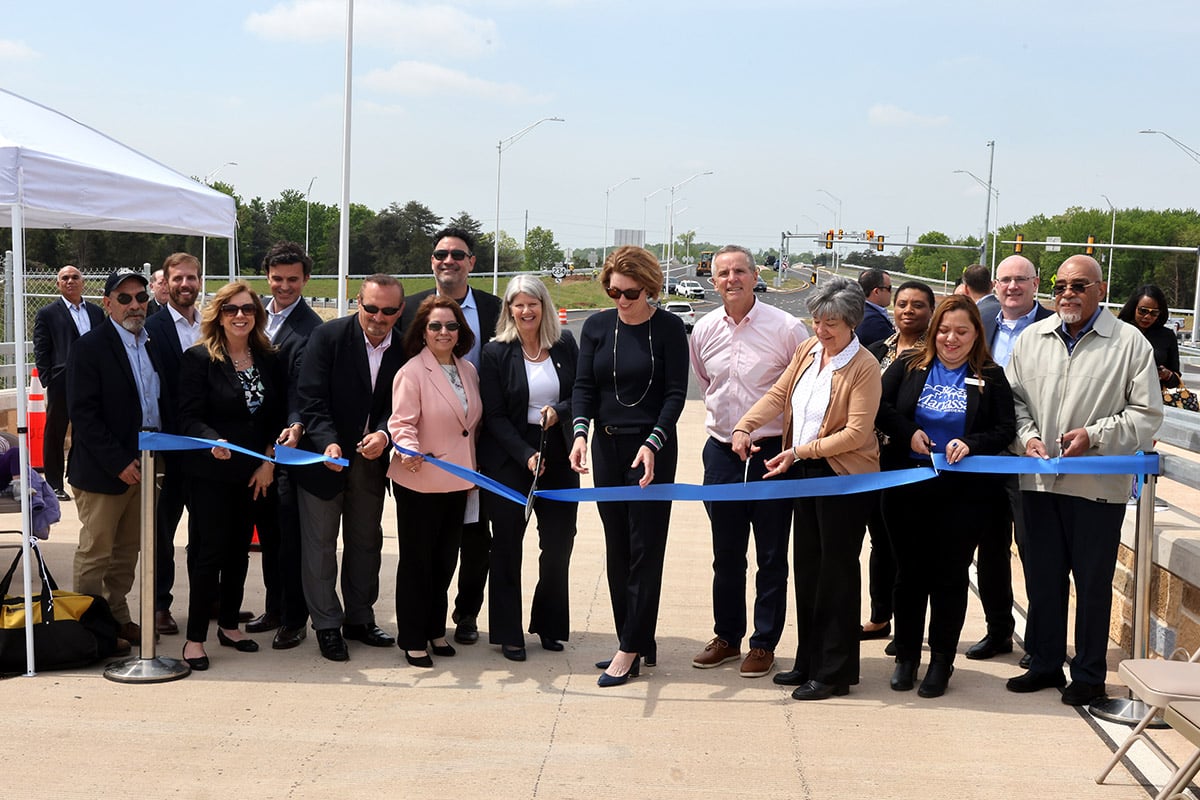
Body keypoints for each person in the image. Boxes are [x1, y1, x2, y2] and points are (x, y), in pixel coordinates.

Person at [1004, 254, 1162, 706]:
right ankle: (1045, 662)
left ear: (1100, 288)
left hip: (1096, 488)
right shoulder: (1032, 339)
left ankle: (1089, 675)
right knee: (1042, 578)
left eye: (1078, 285)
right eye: (1060, 286)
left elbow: (1147, 415)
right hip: (1038, 482)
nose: (1067, 294)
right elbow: (1012, 402)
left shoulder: (1130, 344)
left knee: (1092, 584)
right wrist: (1028, 437)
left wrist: (1093, 436)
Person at [733, 275, 881, 701]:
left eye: (831, 322)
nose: (821, 329)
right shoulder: (807, 351)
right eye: (816, 320)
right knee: (808, 569)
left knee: (836, 573)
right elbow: (779, 395)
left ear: (851, 322)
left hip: (841, 476)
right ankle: (808, 660)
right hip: (803, 470)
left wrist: (800, 452)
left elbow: (856, 433)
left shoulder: (864, 366)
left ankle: (834, 672)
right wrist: (746, 423)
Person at [875, 295, 1016, 697]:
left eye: (961, 332)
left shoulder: (991, 375)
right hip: (907, 487)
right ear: (933, 330)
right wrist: (908, 433)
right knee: (909, 575)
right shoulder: (908, 366)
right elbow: (879, 407)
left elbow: (1005, 429)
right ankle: (906, 657)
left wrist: (972, 442)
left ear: (976, 335)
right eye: (944, 330)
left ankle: (941, 662)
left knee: (949, 578)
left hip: (964, 496)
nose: (951, 339)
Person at [570, 245, 689, 687]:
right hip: (606, 447)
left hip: (652, 450)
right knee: (617, 548)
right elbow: (584, 387)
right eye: (613, 291)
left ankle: (630, 648)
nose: (620, 300)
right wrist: (579, 434)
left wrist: (654, 442)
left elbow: (676, 393)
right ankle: (634, 639)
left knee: (645, 550)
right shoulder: (598, 327)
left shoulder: (670, 327)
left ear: (650, 287)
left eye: (630, 292)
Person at [687, 245, 808, 678]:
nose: (732, 279)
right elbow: (705, 382)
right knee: (727, 555)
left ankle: (763, 643)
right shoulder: (703, 331)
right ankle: (727, 637)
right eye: (723, 273)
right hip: (721, 454)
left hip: (772, 454)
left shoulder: (787, 328)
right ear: (713, 279)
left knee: (772, 555)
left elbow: (801, 387)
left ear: (756, 276)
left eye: (740, 271)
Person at [294, 275, 407, 662]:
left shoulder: (406, 346)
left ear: (400, 310)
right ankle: (327, 625)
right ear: (358, 301)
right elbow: (309, 397)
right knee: (321, 546)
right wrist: (326, 439)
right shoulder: (328, 337)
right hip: (324, 457)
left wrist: (385, 434)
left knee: (365, 542)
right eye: (371, 307)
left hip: (371, 460)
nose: (379, 317)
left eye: (389, 310)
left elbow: (406, 406)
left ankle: (360, 618)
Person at [176, 282, 285, 670]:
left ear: (257, 315)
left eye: (248, 309)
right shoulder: (198, 359)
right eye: (231, 309)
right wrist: (211, 441)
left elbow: (278, 418)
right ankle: (194, 640)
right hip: (210, 472)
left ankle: (229, 625)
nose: (240, 316)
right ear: (218, 315)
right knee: (210, 553)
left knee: (240, 550)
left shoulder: (269, 359)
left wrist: (268, 462)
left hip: (255, 473)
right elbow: (187, 416)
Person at [399, 227, 501, 647]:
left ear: (471, 262)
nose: (449, 260)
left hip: (474, 459)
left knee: (470, 546)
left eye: (458, 254)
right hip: (423, 465)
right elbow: (400, 406)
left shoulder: (495, 312)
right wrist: (402, 444)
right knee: (422, 556)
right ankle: (417, 634)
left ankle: (459, 618)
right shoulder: (407, 312)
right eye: (441, 253)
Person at [479, 275, 579, 662]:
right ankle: (508, 632)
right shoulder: (495, 353)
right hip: (510, 457)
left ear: (544, 306)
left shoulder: (565, 344)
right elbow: (495, 415)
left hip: (558, 451)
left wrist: (562, 411)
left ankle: (550, 624)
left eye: (532, 303)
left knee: (557, 545)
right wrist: (525, 454)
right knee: (506, 547)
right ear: (509, 309)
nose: (525, 311)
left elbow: (579, 392)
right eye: (518, 304)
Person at [66, 267, 165, 650]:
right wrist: (118, 462)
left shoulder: (152, 343)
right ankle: (87, 629)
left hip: (147, 466)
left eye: (141, 297)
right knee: (96, 552)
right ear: (107, 304)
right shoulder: (89, 347)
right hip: (104, 471)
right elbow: (84, 414)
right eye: (124, 298)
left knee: (127, 552)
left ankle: (118, 618)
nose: (135, 305)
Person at [388, 296, 482, 668]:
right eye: (436, 326)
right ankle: (412, 636)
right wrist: (408, 449)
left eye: (451, 326)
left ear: (461, 331)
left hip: (459, 481)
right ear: (422, 331)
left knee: (445, 561)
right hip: (420, 480)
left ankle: (434, 629)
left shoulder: (468, 371)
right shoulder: (411, 372)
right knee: (417, 562)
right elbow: (401, 423)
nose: (444, 332)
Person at [968, 254, 1053, 663]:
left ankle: (1039, 640)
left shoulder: (1055, 327)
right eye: (1005, 280)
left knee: (1034, 549)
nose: (1012, 287)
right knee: (991, 547)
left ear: (1036, 284)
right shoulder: (980, 323)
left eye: (1021, 280)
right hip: (987, 454)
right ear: (995, 285)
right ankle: (998, 630)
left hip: (1031, 453)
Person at [245, 242, 324, 649]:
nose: (284, 286)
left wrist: (288, 434)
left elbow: (301, 393)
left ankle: (295, 618)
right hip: (251, 449)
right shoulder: (254, 318)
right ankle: (274, 607)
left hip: (288, 452)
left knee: (289, 538)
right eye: (277, 279)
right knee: (269, 537)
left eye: (293, 279)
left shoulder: (311, 330)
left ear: (305, 279)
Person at [861, 280, 935, 645]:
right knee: (878, 540)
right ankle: (879, 616)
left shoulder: (935, 355)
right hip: (868, 457)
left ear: (931, 312)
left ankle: (907, 623)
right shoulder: (876, 349)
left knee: (904, 544)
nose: (908, 310)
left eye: (918, 305)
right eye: (902, 303)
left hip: (907, 458)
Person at [143, 253, 203, 636]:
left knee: (207, 529)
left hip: (205, 447)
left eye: (191, 278)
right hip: (166, 448)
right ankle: (160, 605)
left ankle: (206, 599)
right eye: (178, 278)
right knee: (162, 532)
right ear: (166, 282)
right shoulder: (151, 328)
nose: (185, 285)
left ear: (200, 280)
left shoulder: (210, 324)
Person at [33, 264, 104, 501]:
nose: (70, 281)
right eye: (65, 278)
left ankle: (80, 475)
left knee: (88, 429)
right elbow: (41, 348)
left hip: (94, 379)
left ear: (82, 282)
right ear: (58, 284)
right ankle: (53, 483)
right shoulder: (48, 313)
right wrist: (48, 378)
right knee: (56, 431)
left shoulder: (95, 312)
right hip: (62, 380)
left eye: (75, 277)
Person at [1118, 284, 1181, 389]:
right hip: (1119, 395)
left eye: (1154, 313)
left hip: (1151, 397)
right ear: (1133, 308)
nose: (1147, 316)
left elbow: (1175, 380)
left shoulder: (1167, 336)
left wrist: (1167, 375)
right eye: (1143, 311)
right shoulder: (1119, 330)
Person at [854, 268, 894, 346]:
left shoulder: (857, 309)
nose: (891, 292)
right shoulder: (873, 321)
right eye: (889, 288)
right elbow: (896, 347)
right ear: (876, 291)